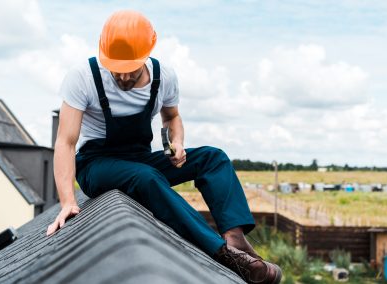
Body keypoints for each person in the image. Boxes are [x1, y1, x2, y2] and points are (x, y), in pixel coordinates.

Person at [46, 10, 281, 284]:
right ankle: (222, 254)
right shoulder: (82, 77)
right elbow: (65, 142)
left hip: (139, 159)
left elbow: (171, 117)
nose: (122, 78)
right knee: (146, 177)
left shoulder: (164, 77)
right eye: (116, 69)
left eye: (130, 69)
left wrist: (177, 143)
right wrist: (68, 202)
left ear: (147, 53)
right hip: (96, 165)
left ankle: (235, 239)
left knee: (213, 158)